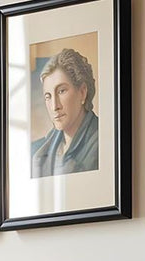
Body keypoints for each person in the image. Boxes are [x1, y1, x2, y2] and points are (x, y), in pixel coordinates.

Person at [31, 48, 99, 177]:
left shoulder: (103, 142)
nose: (55, 106)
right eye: (48, 96)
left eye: (61, 91)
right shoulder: (38, 151)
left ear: (82, 92)